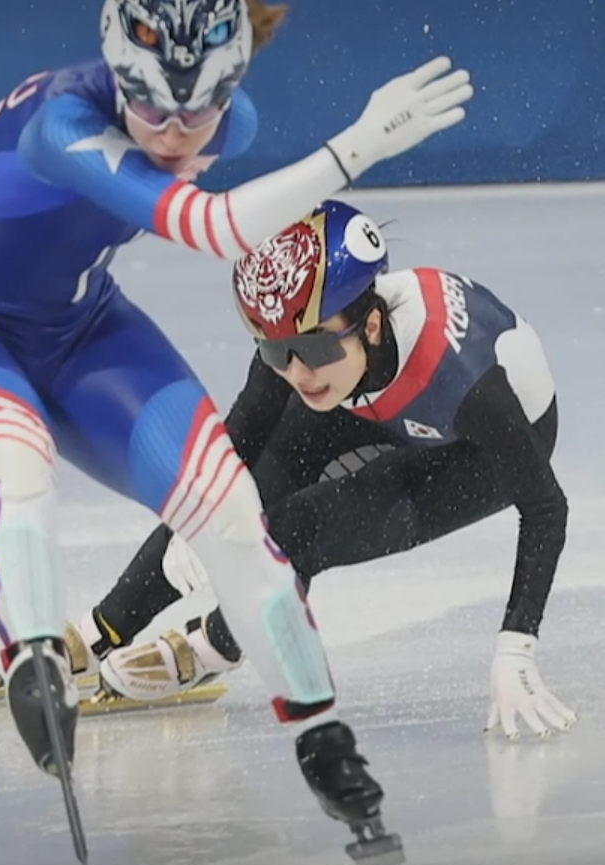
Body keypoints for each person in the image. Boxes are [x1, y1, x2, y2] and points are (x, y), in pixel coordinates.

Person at [0, 0, 472, 860]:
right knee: (18, 457)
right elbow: (214, 227)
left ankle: (323, 737)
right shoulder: (60, 125)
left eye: (199, 108)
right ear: (116, 75)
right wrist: (356, 148)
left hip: (77, 324)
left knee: (230, 507)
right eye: (150, 106)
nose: (174, 131)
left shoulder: (230, 120)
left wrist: (318, 723)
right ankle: (33, 658)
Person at [84, 198, 574, 742]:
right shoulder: (301, 340)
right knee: (247, 483)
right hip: (372, 399)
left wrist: (517, 646)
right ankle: (99, 630)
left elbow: (547, 507)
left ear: (371, 324)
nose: (295, 370)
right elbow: (237, 442)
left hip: (472, 450)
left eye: (313, 348)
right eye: (274, 351)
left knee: (297, 531)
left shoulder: (470, 384)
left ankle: (215, 646)